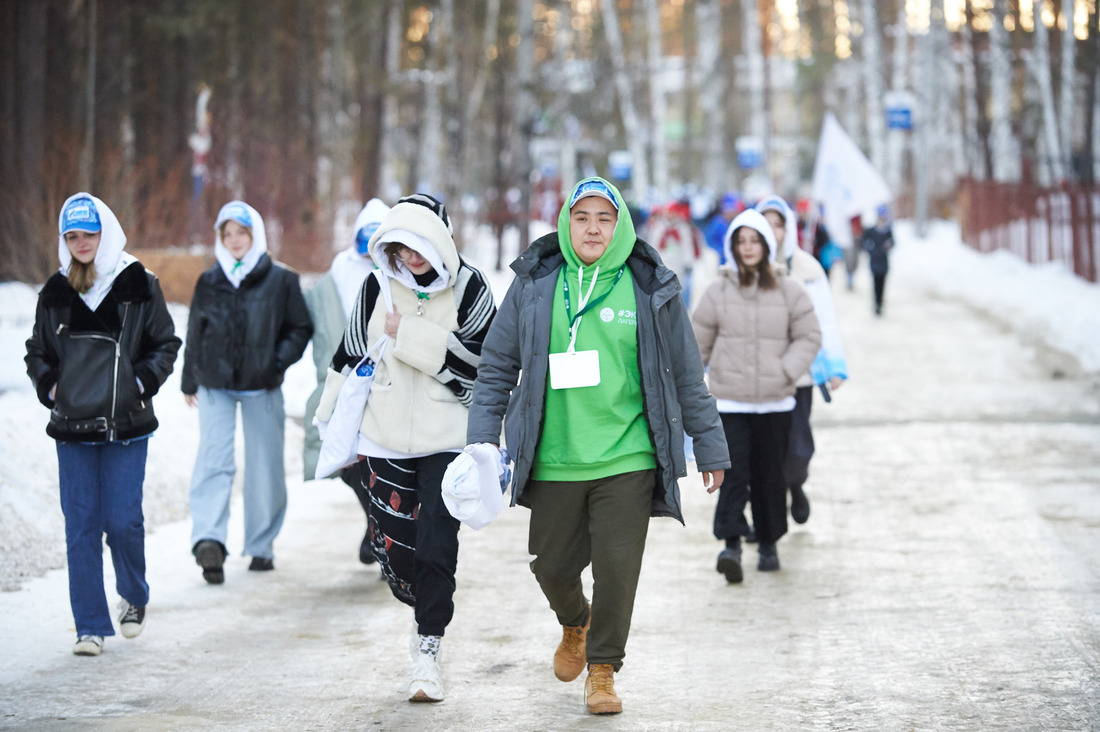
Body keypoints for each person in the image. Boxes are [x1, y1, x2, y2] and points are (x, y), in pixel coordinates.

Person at [467, 176, 729, 716]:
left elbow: (685, 373)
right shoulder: (535, 284)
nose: (593, 228)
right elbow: (496, 367)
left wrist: (710, 444)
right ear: (565, 223)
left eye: (604, 219)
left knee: (617, 568)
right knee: (551, 567)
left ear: (621, 226)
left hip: (627, 455)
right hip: (553, 457)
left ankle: (604, 669)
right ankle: (574, 622)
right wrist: (480, 442)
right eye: (581, 218)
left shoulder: (649, 287)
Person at [314, 193, 496, 703]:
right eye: (398, 246)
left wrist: (408, 334)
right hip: (383, 436)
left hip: (447, 439)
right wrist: (329, 423)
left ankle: (428, 647)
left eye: (417, 245)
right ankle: (421, 603)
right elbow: (349, 354)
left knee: (438, 545)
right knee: (392, 551)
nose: (408, 257)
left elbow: (481, 364)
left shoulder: (472, 287)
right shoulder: (377, 286)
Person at [25, 193, 181, 656]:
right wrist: (52, 387)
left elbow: (165, 343)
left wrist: (139, 381)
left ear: (106, 232)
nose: (81, 244)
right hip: (72, 428)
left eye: (89, 234)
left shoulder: (138, 282)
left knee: (124, 521)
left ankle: (134, 596)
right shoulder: (56, 290)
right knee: (81, 526)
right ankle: (89, 624)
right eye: (71, 236)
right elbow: (37, 352)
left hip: (125, 426)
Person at [181, 201, 313, 584]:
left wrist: (276, 362)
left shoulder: (280, 280)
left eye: (242, 233)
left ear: (255, 235)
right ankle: (209, 541)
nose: (235, 241)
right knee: (214, 459)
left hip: (261, 385)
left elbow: (300, 328)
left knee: (264, 465)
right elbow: (196, 329)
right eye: (228, 234)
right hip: (215, 383)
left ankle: (261, 544)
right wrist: (190, 378)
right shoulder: (210, 280)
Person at [692, 208, 820, 582]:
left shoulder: (789, 288)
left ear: (767, 244)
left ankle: (768, 543)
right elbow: (697, 343)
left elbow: (809, 336)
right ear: (732, 246)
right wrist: (691, 386)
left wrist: (786, 371)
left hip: (776, 401)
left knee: (770, 476)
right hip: (730, 402)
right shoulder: (717, 291)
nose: (748, 248)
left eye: (755, 240)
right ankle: (731, 544)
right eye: (741, 241)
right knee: (732, 474)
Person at [302, 198, 390, 565]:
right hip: (343, 390)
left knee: (385, 461)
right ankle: (377, 525)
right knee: (348, 462)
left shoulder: (398, 273)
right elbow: (309, 327)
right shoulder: (334, 278)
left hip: (387, 390)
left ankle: (383, 533)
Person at [756, 195, 848, 525]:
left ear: (788, 228)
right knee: (761, 451)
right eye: (764, 221)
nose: (772, 230)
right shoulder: (742, 265)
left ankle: (795, 485)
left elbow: (824, 319)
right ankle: (768, 519)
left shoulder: (808, 269)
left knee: (797, 449)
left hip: (800, 375)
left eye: (778, 223)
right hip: (756, 376)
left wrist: (834, 365)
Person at [862, 204, 894, 315]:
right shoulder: (871, 230)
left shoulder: (888, 230)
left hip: (884, 262)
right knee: (875, 284)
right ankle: (876, 304)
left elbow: (893, 243)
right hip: (874, 262)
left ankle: (880, 304)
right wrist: (871, 250)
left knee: (882, 284)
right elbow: (865, 243)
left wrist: (889, 245)